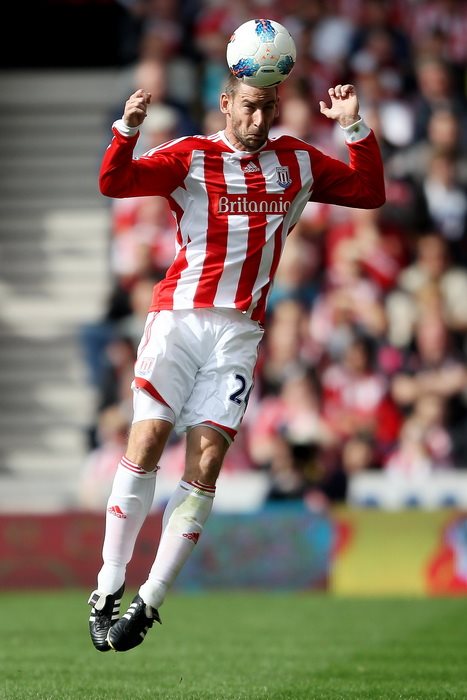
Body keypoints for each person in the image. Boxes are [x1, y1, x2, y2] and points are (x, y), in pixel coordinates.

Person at [87, 70, 385, 653]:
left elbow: (368, 192)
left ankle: (150, 600)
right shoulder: (191, 155)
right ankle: (108, 584)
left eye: (268, 107)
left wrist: (353, 126)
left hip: (239, 333)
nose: (258, 118)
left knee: (206, 463)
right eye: (249, 105)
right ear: (226, 103)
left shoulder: (296, 161)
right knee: (146, 442)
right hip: (179, 318)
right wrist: (127, 129)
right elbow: (113, 181)